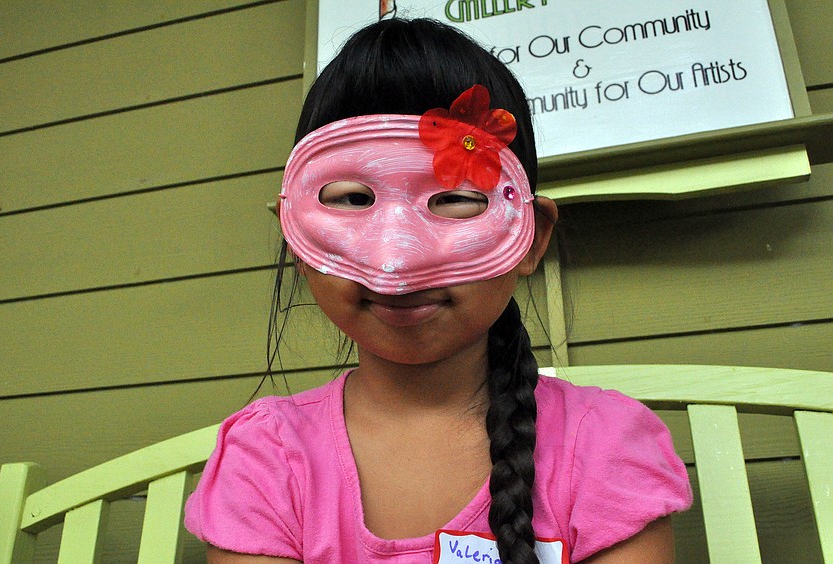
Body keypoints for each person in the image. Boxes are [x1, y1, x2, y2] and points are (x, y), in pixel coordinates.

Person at [184, 17, 692, 564]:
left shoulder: (603, 447)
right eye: (351, 199)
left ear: (531, 236)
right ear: (293, 235)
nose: (396, 260)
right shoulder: (267, 457)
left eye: (456, 199)